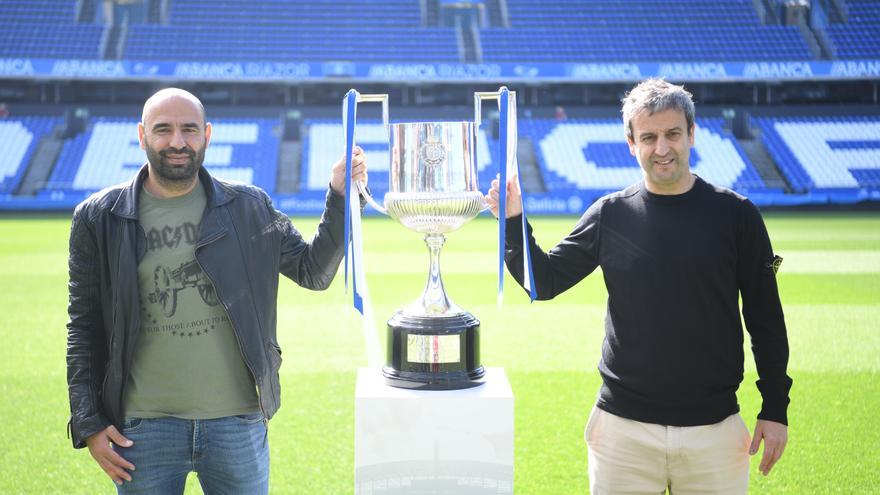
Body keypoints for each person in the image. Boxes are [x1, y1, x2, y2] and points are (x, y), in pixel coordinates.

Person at [486, 78, 791, 494]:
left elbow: (765, 319)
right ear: (631, 143)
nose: (662, 148)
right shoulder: (611, 214)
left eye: (672, 135)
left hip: (715, 432)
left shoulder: (736, 216)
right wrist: (513, 219)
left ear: (692, 135)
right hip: (622, 433)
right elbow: (544, 282)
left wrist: (775, 408)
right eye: (649, 137)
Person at [66, 88, 367, 493]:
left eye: (189, 129)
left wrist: (341, 197)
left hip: (237, 423)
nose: (177, 141)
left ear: (207, 134)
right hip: (142, 427)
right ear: (142, 135)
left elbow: (313, 270)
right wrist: (89, 422)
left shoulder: (250, 207)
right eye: (163, 130)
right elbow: (82, 327)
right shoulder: (98, 217)